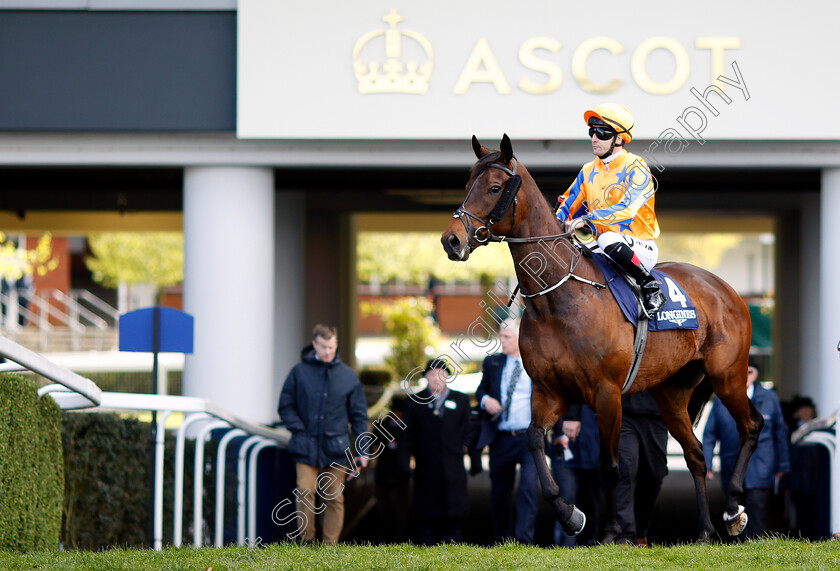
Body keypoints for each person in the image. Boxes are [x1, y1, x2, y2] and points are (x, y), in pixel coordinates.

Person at [555, 103, 666, 316]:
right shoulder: (588, 170)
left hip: (639, 247)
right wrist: (554, 224)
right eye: (592, 132)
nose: (594, 138)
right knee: (573, 244)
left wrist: (585, 220)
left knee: (607, 239)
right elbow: (567, 206)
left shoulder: (637, 167)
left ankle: (650, 287)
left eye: (602, 133)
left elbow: (626, 210)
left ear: (620, 138)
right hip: (601, 244)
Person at [277, 324, 370, 545]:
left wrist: (363, 451)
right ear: (314, 344)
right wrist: (298, 427)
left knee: (334, 497)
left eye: (331, 346)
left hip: (337, 448)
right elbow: (285, 406)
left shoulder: (348, 377)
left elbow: (359, 417)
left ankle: (330, 548)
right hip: (305, 444)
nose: (327, 351)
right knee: (305, 491)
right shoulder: (298, 372)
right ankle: (307, 542)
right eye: (323, 346)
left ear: (336, 344)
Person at [703, 358, 791, 539]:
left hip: (761, 466)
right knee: (732, 511)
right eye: (742, 371)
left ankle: (755, 547)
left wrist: (782, 465)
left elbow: (780, 434)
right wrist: (707, 462)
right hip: (732, 465)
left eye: (750, 371)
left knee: (756, 508)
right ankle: (738, 549)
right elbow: (710, 433)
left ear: (757, 373)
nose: (746, 375)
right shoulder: (723, 398)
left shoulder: (769, 398)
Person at [475, 318, 539, 544]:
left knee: (529, 489)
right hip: (501, 438)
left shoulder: (536, 363)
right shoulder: (492, 363)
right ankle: (503, 541)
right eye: (501, 336)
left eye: (507, 337)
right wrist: (485, 400)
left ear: (520, 337)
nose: (501, 341)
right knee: (500, 493)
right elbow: (480, 390)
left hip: (529, 440)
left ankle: (524, 542)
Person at [399, 359, 470, 545]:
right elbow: (407, 435)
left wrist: (474, 457)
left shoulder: (461, 400)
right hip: (426, 466)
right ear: (426, 378)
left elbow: (468, 431)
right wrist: (404, 461)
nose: (436, 379)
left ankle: (453, 543)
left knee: (454, 511)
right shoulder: (414, 402)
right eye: (432, 375)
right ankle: (427, 543)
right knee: (427, 509)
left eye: (441, 374)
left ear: (447, 376)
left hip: (453, 466)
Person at [613, 392, 669, 546]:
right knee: (625, 470)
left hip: (657, 413)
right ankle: (625, 535)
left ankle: (641, 531)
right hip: (624, 412)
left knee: (654, 475)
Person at [551, 404, 601, 547]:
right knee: (566, 499)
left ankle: (589, 545)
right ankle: (565, 547)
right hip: (565, 451)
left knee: (591, 502)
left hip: (593, 451)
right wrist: (558, 433)